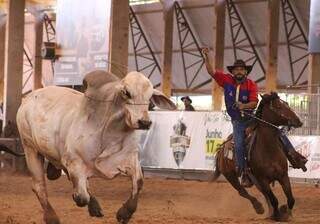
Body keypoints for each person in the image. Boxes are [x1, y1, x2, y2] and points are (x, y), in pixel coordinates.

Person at [202, 48, 257, 187]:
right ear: (232, 72)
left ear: (246, 72)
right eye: (236, 70)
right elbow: (211, 71)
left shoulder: (251, 84)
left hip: (252, 118)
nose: (239, 71)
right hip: (238, 122)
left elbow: (254, 102)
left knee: (275, 131)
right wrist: (207, 57)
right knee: (238, 145)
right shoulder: (226, 80)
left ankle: (293, 156)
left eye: (242, 69)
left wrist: (243, 106)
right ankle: (244, 173)